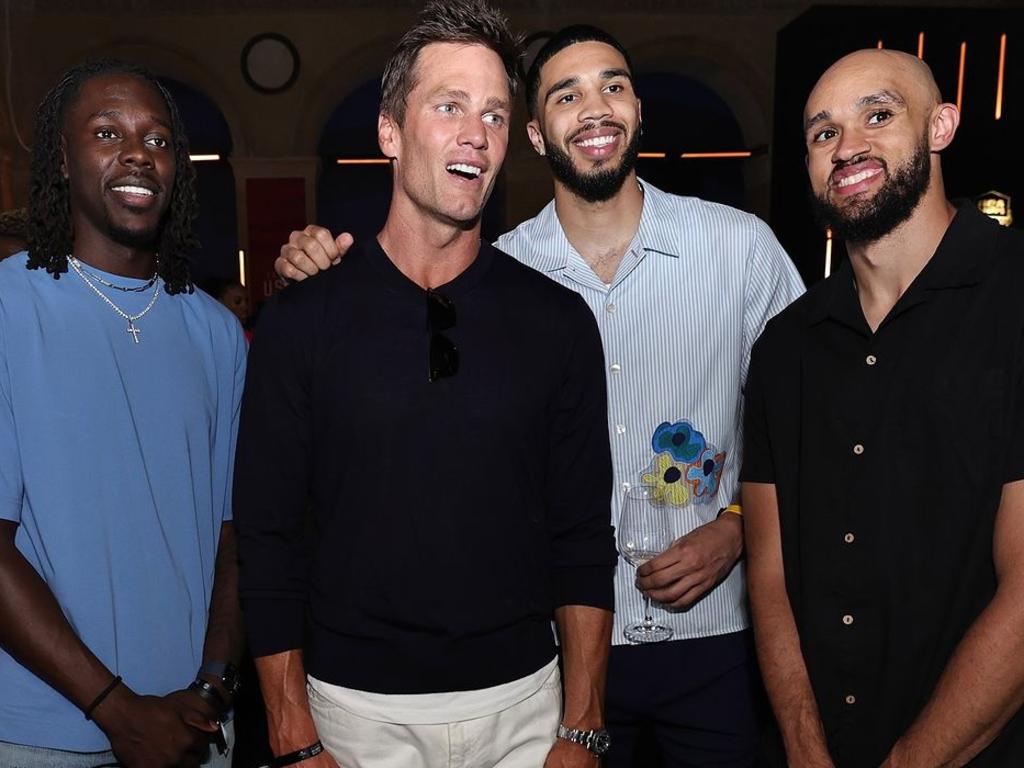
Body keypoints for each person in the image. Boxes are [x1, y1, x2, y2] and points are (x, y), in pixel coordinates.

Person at [275, 24, 804, 767]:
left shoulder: (740, 247)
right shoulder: (498, 273)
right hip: (558, 654)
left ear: (640, 111)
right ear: (535, 132)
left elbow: (805, 418)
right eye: (567, 93)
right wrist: (317, 279)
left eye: (614, 86)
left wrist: (739, 524)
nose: (596, 108)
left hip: (713, 633)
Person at [232, 4, 617, 768]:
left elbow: (580, 537)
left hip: (524, 712)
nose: (477, 132)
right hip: (352, 717)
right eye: (449, 106)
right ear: (389, 133)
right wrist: (291, 735)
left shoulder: (558, 323)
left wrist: (581, 729)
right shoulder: (301, 323)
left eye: (497, 115)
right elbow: (268, 544)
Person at [742, 49, 1024, 767]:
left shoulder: (1013, 298)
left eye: (878, 114)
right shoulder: (784, 347)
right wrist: (805, 746)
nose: (848, 146)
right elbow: (769, 576)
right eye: (822, 132)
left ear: (941, 126)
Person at [0, 60, 247, 767]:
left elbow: (236, 534)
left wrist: (213, 683)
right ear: (62, 159)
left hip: (193, 727)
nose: (138, 152)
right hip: (44, 732)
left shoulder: (217, 333)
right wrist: (115, 708)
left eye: (159, 139)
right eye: (107, 132)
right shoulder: (9, 306)